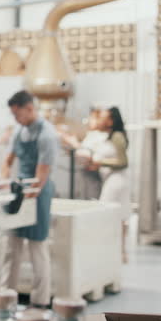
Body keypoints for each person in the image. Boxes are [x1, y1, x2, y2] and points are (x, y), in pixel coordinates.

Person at [0, 90, 59, 308]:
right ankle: (5, 297)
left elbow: (41, 175)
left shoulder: (47, 135)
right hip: (19, 190)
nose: (16, 119)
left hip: (38, 193)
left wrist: (27, 199)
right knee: (11, 247)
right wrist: (4, 185)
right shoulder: (18, 131)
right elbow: (7, 161)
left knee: (37, 248)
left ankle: (40, 300)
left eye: (18, 114)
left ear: (30, 109)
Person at [89, 106, 131, 263]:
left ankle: (115, 251)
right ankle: (118, 252)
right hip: (110, 178)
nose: (100, 120)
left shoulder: (117, 136)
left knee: (108, 213)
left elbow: (122, 161)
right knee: (118, 215)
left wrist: (100, 162)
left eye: (103, 117)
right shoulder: (107, 137)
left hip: (116, 180)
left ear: (111, 121)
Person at [58, 107, 107, 199]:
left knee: (92, 200)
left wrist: (73, 143)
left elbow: (89, 155)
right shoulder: (90, 135)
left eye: (92, 118)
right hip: (84, 174)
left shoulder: (100, 136)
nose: (89, 121)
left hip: (92, 175)